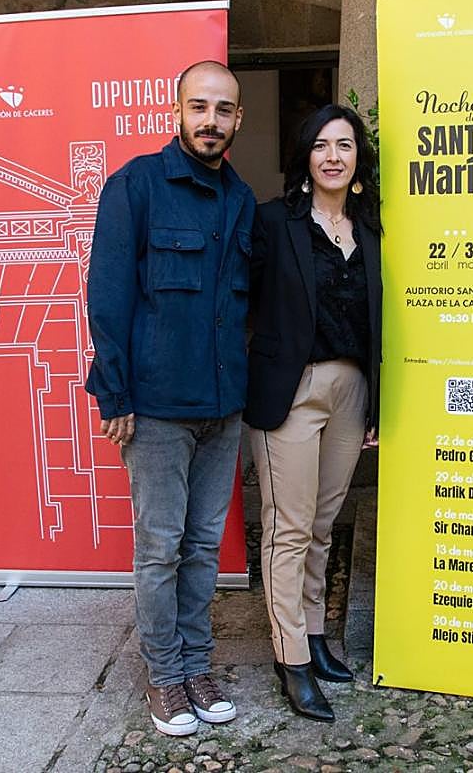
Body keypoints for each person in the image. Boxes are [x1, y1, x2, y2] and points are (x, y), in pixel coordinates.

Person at [85, 59, 255, 737]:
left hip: (224, 406)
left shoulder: (241, 199)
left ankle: (195, 665)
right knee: (160, 547)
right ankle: (164, 676)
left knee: (205, 547)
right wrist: (116, 393)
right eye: (199, 107)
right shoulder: (135, 186)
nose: (211, 120)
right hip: (155, 408)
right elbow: (107, 297)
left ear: (238, 119)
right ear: (176, 112)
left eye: (223, 109)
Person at [245, 103, 382, 722]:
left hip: (351, 390)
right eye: (322, 144)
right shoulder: (274, 222)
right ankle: (291, 657)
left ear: (358, 159)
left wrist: (376, 402)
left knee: (323, 525)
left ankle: (315, 634)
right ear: (305, 155)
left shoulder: (369, 229)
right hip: (292, 390)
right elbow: (242, 299)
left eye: (344, 145)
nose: (333, 156)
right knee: (290, 527)